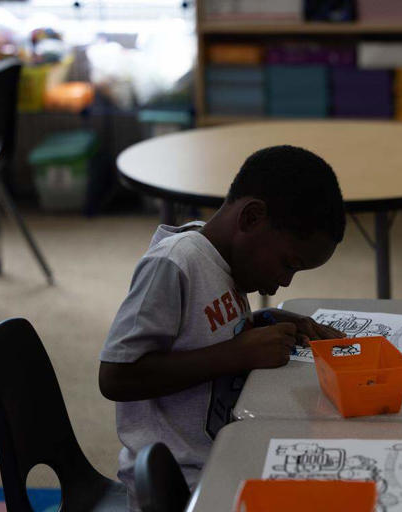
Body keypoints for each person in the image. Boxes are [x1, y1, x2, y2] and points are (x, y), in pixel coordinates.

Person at [98, 145, 346, 507]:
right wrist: (234, 355)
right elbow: (116, 376)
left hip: (223, 453)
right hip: (177, 484)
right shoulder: (174, 263)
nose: (286, 282)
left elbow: (206, 332)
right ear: (251, 218)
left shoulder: (226, 263)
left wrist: (264, 321)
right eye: (287, 264)